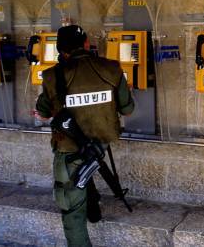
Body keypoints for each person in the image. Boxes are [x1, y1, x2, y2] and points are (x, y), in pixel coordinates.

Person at [36, 25, 134, 247]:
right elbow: (127, 109)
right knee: (84, 174)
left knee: (70, 206)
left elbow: (43, 111)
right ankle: (93, 210)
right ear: (87, 44)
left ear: (60, 49)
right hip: (101, 142)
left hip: (70, 147)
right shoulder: (111, 68)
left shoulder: (53, 75)